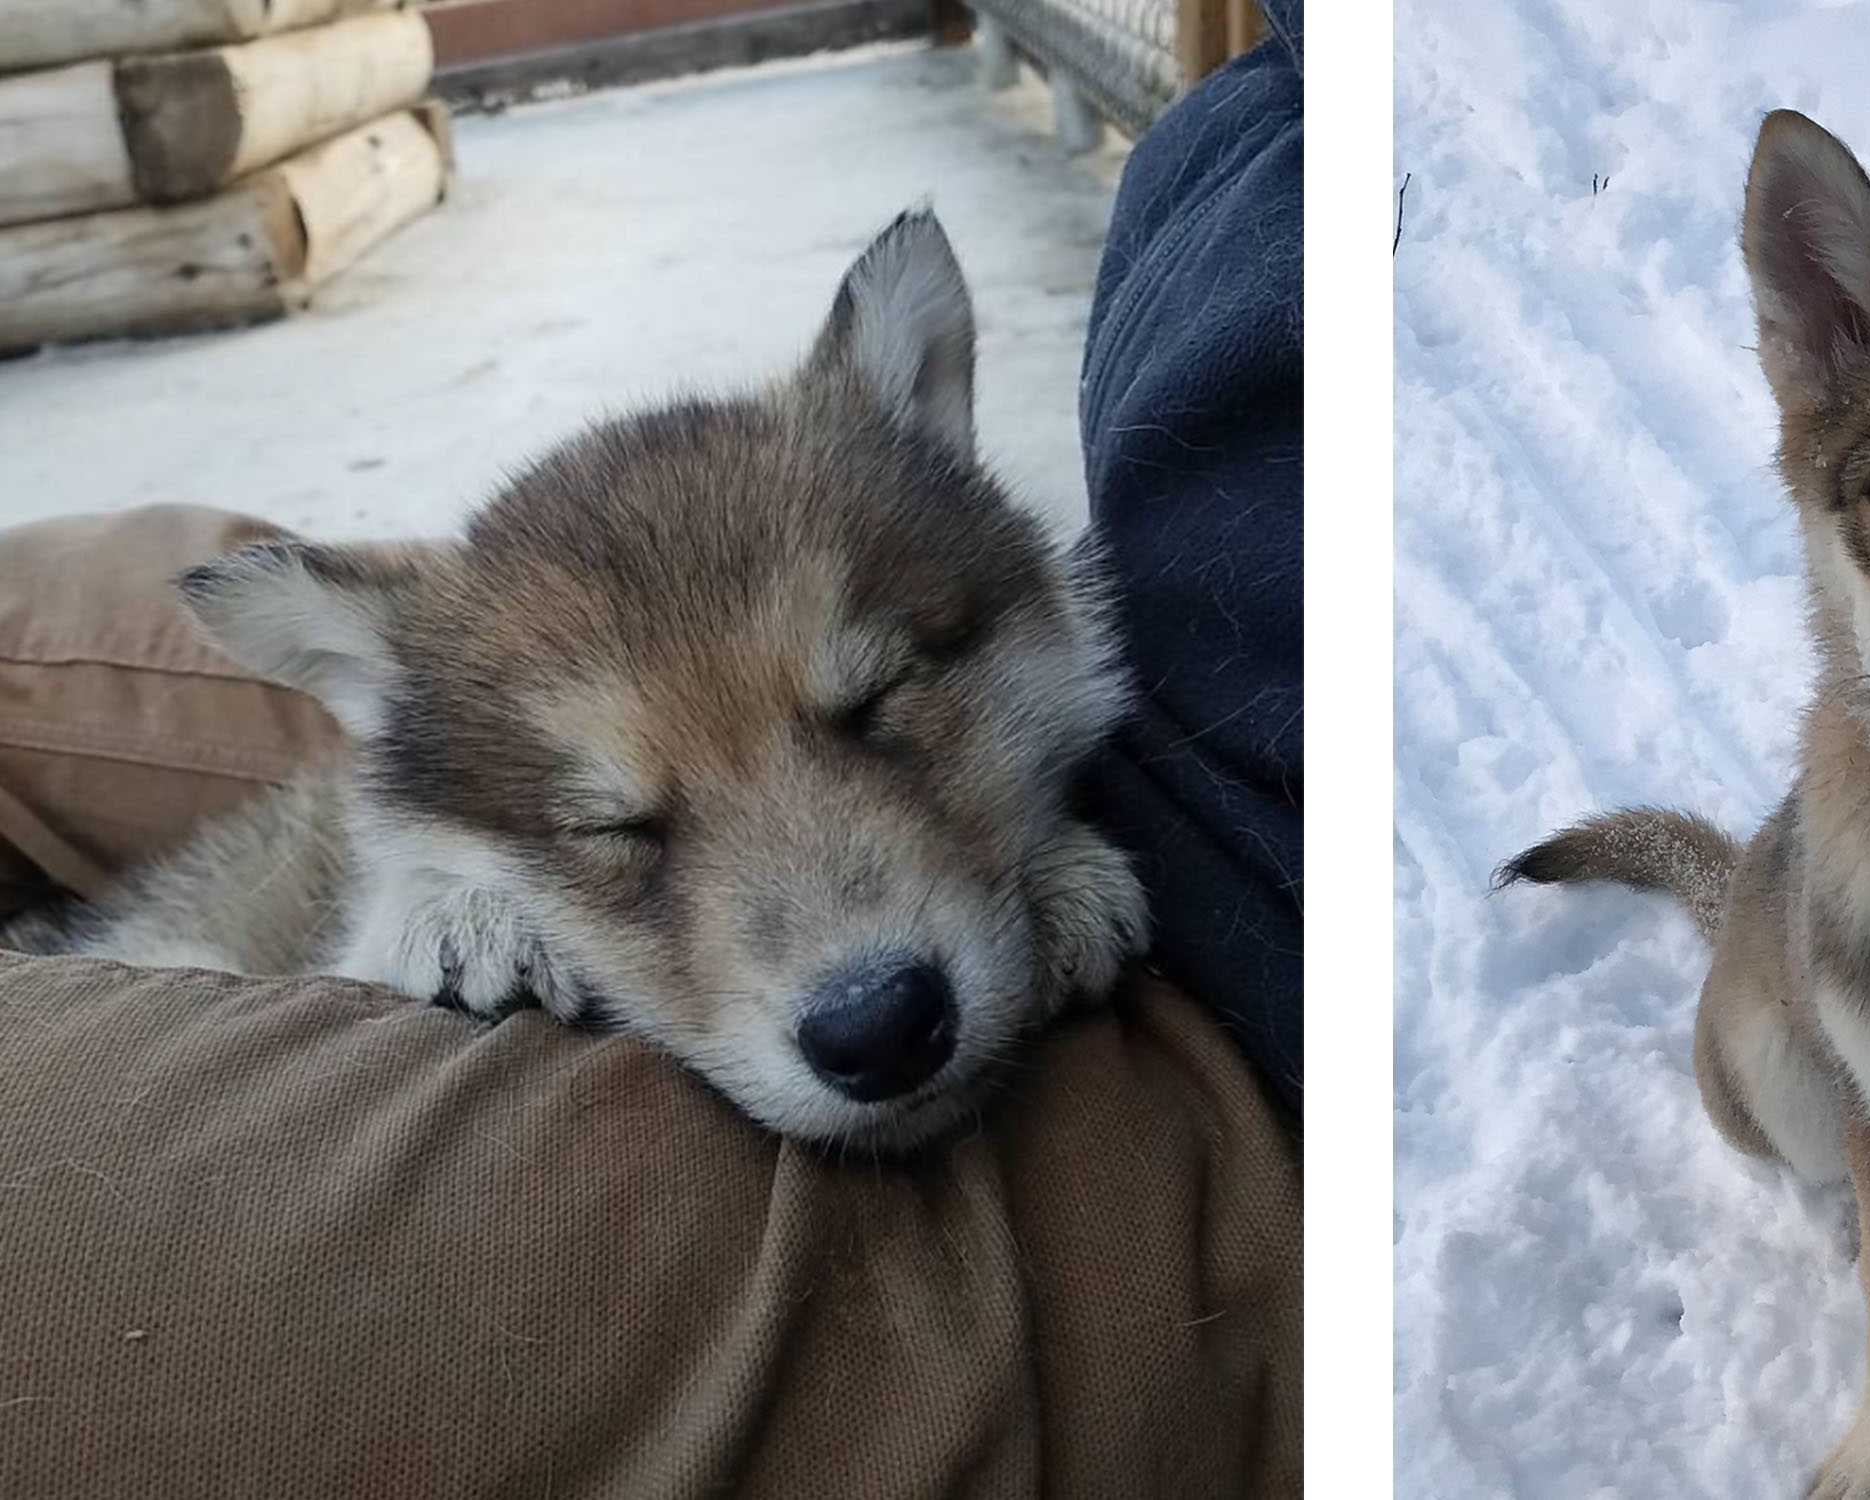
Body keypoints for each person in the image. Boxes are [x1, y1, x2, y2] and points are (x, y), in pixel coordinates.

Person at [0, 5, 1305, 1490]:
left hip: (1219, 1085)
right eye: (631, 833)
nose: (837, 938)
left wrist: (1050, 837)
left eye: (876, 711)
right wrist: (443, 890)